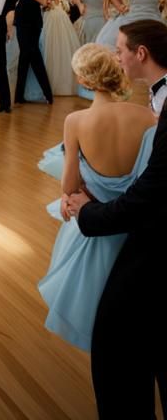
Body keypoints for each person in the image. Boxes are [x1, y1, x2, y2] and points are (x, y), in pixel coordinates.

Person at [65, 22, 167, 417]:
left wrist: (88, 211)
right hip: (142, 227)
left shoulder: (79, 122)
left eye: (120, 48)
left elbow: (151, 191)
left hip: (148, 233)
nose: (116, 55)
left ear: (140, 54)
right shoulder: (149, 114)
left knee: (115, 343)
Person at [37, 44, 156, 353]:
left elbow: (70, 183)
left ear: (84, 80)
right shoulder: (148, 117)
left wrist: (69, 197)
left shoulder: (76, 121)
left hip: (93, 220)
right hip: (133, 223)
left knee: (93, 298)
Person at [12, 0, 53, 104]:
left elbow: (43, 0)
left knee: (30, 53)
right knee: (28, 54)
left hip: (35, 18)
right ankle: (44, 95)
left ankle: (21, 96)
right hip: (21, 17)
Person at [116, 19, 167, 117]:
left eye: (119, 52)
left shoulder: (163, 97)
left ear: (141, 53)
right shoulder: (157, 90)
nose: (117, 58)